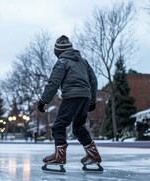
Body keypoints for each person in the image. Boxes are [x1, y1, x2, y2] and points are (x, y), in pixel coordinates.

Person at [38, 35, 102, 172]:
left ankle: (59, 156)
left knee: (58, 126)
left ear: (58, 52)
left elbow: (53, 83)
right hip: (85, 97)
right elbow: (94, 80)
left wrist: (43, 101)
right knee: (79, 128)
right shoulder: (84, 62)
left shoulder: (61, 62)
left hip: (71, 97)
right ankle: (93, 155)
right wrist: (92, 99)